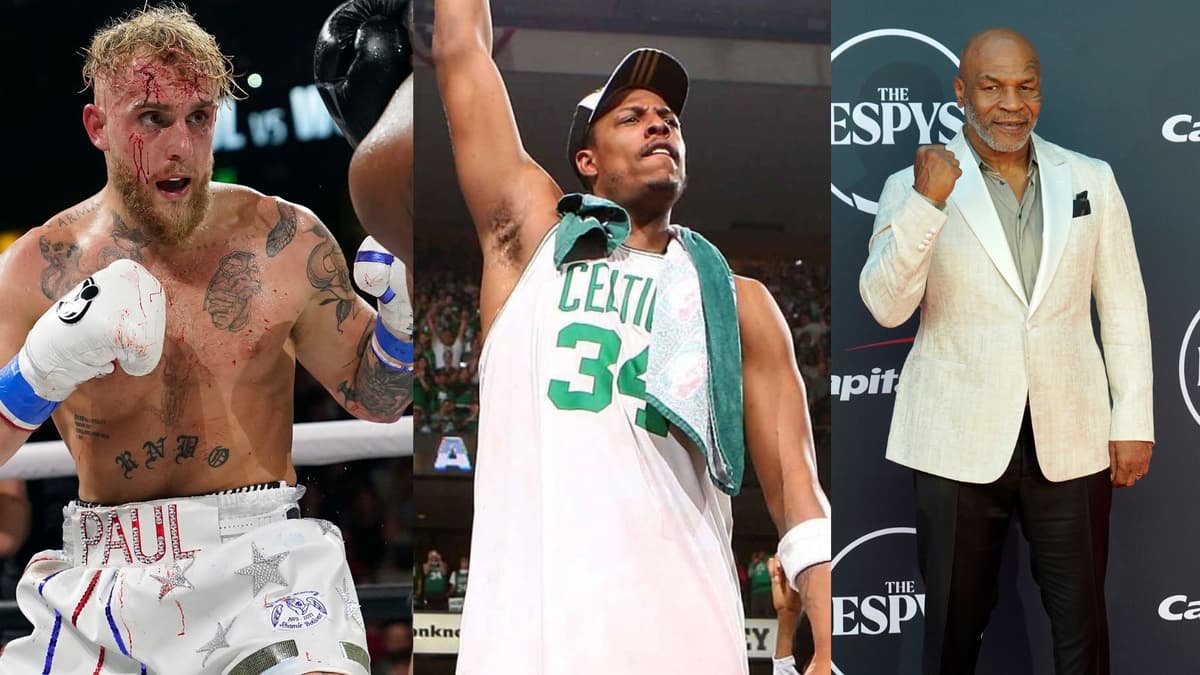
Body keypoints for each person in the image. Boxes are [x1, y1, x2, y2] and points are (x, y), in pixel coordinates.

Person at [0, 5, 412, 674]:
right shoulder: (34, 269)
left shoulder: (285, 239)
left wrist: (401, 329)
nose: (181, 145)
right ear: (98, 127)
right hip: (102, 575)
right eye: (153, 119)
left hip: (262, 565)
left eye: (199, 116)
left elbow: (379, 401)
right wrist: (41, 368)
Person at [432, 1, 832, 673]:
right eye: (632, 116)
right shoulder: (532, 242)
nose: (659, 124)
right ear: (586, 160)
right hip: (530, 645)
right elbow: (461, 50)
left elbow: (797, 486)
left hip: (689, 639)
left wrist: (826, 640)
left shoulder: (739, 302)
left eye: (669, 119)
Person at [859, 27, 1153, 675]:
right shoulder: (907, 187)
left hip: (1072, 437)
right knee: (951, 635)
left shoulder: (1092, 180)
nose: (1010, 103)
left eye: (1025, 86)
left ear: (1041, 93)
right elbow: (885, 304)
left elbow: (1124, 306)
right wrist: (927, 201)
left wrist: (1132, 419)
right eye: (991, 86)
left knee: (1083, 630)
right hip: (954, 440)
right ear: (962, 91)